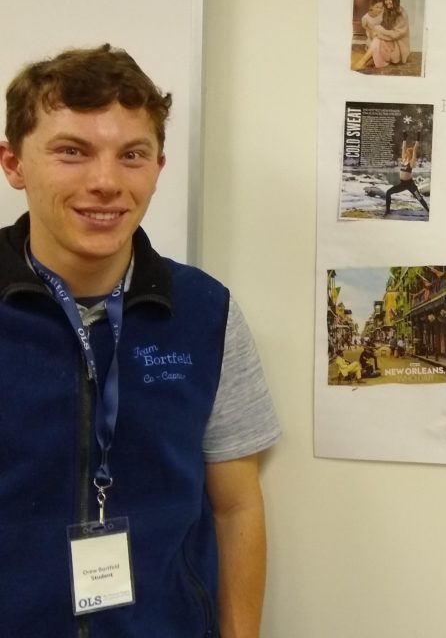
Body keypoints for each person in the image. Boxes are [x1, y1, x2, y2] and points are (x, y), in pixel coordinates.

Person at [0, 45, 281, 637]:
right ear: (13, 163)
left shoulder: (206, 312)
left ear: (158, 166)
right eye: (72, 152)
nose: (105, 182)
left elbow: (236, 509)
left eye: (132, 155)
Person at [355, 0, 411, 71]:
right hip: (389, 40)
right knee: (377, 35)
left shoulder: (402, 14)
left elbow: (396, 34)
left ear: (395, 0)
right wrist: (373, 29)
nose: (387, 2)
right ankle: (366, 60)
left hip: (397, 45)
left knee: (377, 38)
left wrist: (380, 32)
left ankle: (363, 60)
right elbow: (375, 18)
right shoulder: (387, 10)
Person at [383, 132, 429, 216]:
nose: (405, 152)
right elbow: (403, 148)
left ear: (410, 154)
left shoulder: (411, 162)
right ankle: (387, 211)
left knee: (419, 198)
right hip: (402, 184)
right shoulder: (404, 160)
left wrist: (418, 139)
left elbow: (415, 150)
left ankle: (429, 211)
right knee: (388, 192)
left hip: (410, 184)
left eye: (407, 152)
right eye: (406, 152)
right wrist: (404, 139)